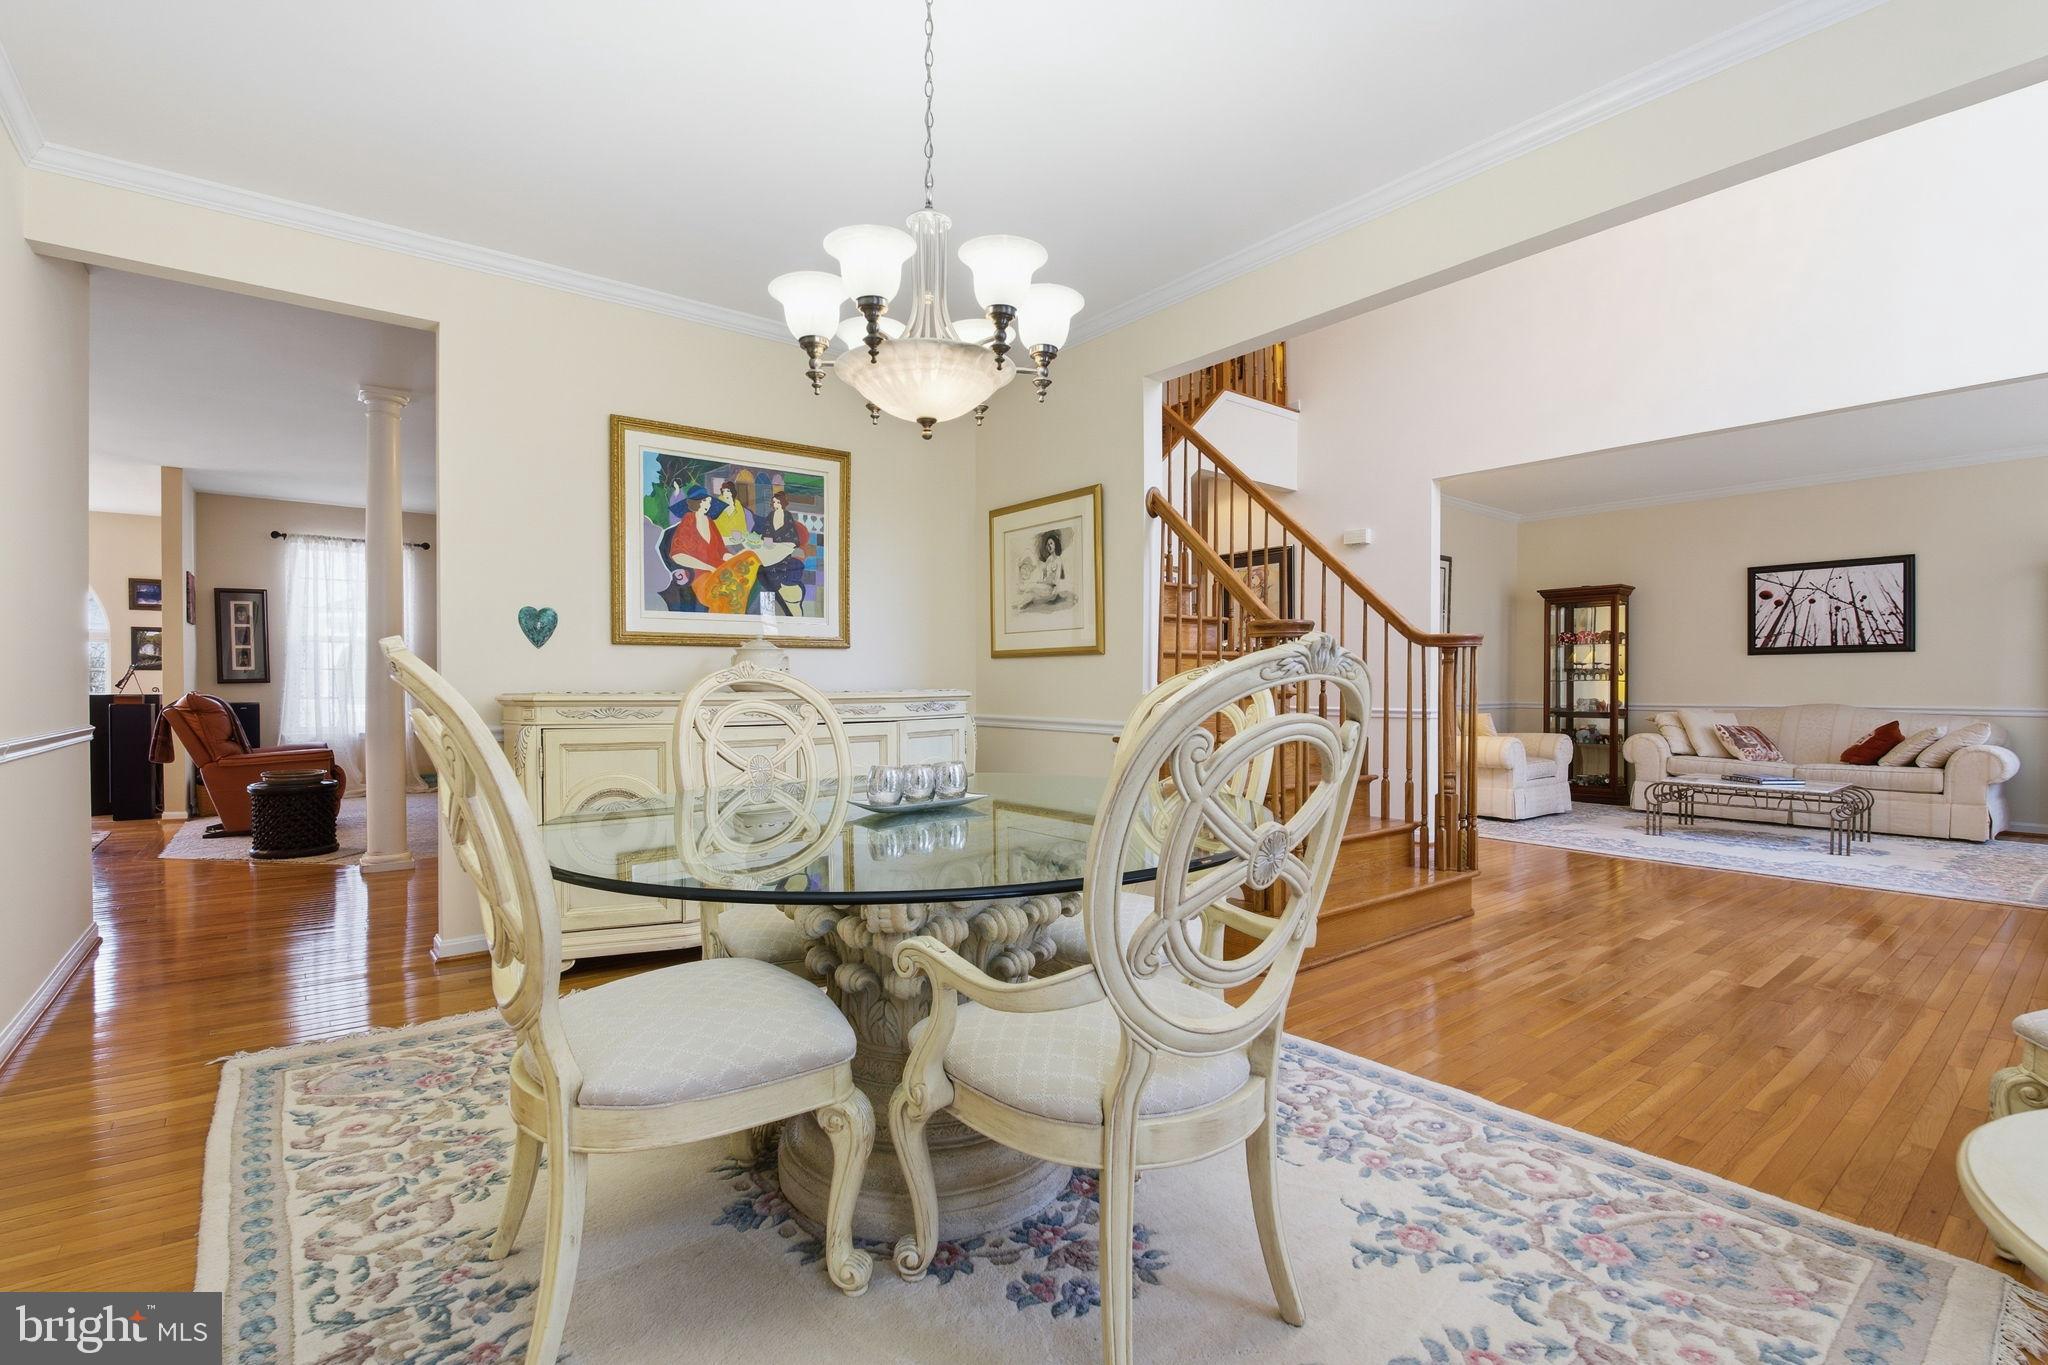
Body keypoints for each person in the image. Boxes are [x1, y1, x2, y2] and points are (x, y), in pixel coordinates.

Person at [657, 486, 727, 612]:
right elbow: (678, 556)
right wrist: (709, 568)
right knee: (723, 596)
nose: (708, 504)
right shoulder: (688, 521)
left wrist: (739, 557)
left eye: (709, 501)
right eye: (705, 501)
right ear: (697, 502)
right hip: (698, 574)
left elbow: (722, 553)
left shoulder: (710, 521)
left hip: (719, 571)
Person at [757, 488, 812, 615]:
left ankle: (778, 588)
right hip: (770, 547)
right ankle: (775, 591)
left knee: (773, 566)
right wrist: (767, 539)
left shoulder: (787, 516)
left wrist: (785, 545)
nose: (775, 505)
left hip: (785, 548)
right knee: (763, 566)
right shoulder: (770, 515)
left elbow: (792, 536)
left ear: (782, 503)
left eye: (777, 502)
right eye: (774, 502)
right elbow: (766, 531)